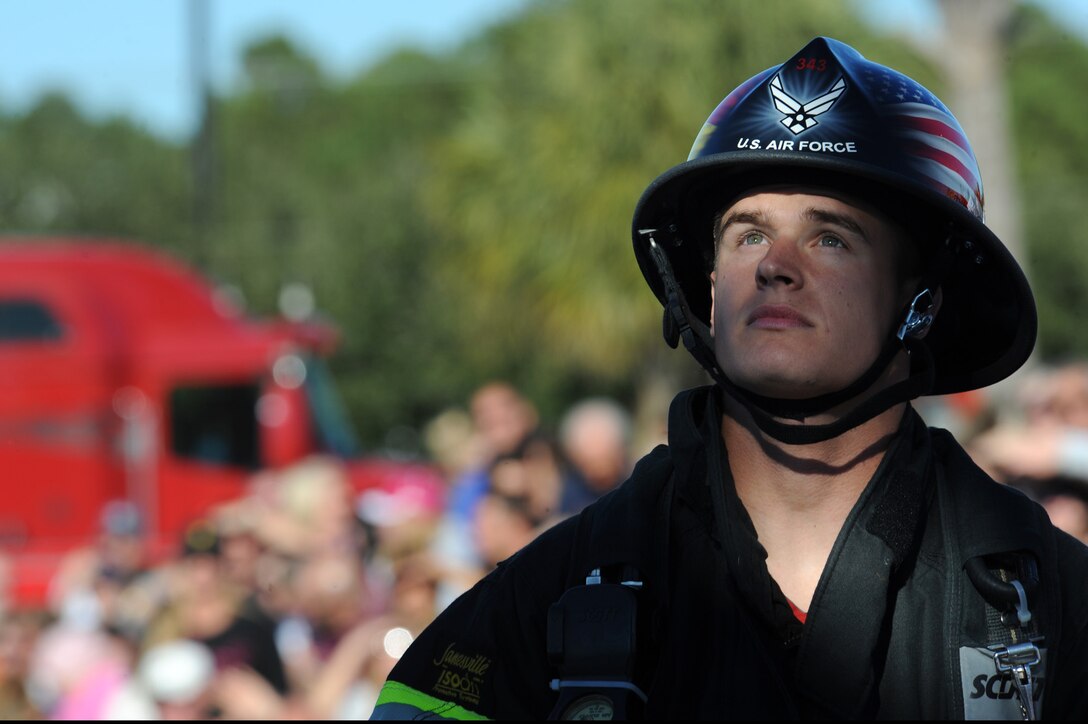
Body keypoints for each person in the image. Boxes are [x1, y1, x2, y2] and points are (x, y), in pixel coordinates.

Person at [371, 36, 1088, 720]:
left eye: (830, 236)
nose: (775, 264)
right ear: (708, 291)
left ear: (921, 300)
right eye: (748, 233)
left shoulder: (1050, 604)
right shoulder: (552, 595)